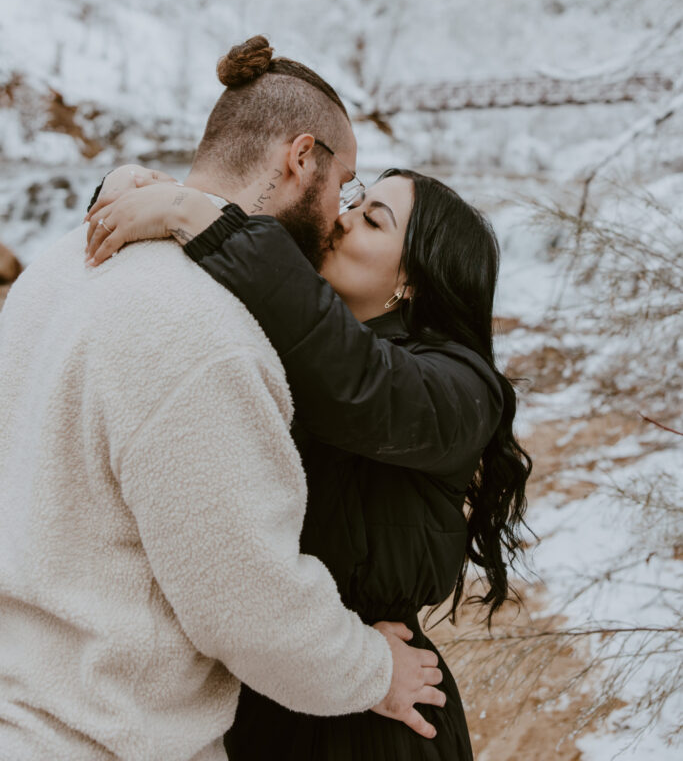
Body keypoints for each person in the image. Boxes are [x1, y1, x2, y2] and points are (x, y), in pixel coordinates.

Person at [0, 37, 446, 761]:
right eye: (346, 184)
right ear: (301, 158)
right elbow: (249, 608)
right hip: (101, 737)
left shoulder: (62, 262)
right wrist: (374, 670)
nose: (340, 213)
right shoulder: (206, 329)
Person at [85, 46, 532, 760]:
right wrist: (130, 189)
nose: (343, 217)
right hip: (263, 693)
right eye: (351, 199)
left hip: (374, 715)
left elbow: (353, 382)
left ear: (412, 283)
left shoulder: (457, 388)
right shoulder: (286, 327)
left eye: (374, 218)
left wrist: (194, 209)